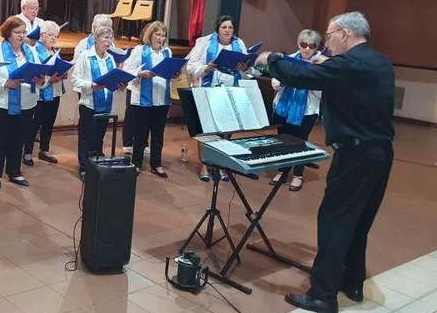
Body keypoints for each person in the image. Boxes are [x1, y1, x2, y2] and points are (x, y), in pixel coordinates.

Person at [255, 11, 394, 313]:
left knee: (334, 222)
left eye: (329, 36)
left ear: (344, 33)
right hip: (380, 154)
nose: (327, 43)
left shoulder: (349, 65)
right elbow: (336, 75)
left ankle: (322, 296)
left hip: (354, 156)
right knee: (358, 222)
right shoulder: (380, 62)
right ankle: (351, 283)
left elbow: (301, 77)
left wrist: (271, 59)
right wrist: (325, 64)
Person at [0, 16, 44, 189]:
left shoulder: (31, 51)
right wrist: (5, 83)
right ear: (8, 33)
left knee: (18, 139)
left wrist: (40, 80)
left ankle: (14, 172)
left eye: (24, 32)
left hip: (26, 103)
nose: (22, 36)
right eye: (17, 32)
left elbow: (39, 71)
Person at [186, 14, 253, 181]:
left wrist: (245, 69)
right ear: (217, 29)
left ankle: (222, 165)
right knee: (206, 129)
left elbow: (247, 69)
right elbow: (191, 66)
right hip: (208, 89)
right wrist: (206, 68)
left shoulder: (239, 44)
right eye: (224, 27)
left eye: (230, 27)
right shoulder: (205, 42)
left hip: (231, 91)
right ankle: (205, 164)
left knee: (226, 130)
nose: (227, 30)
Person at [269, 29, 323, 191]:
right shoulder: (288, 60)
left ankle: (298, 175)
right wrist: (284, 81)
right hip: (283, 107)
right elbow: (275, 83)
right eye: (303, 44)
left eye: (312, 46)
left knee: (300, 141)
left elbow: (323, 91)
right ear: (298, 44)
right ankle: (282, 171)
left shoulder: (321, 64)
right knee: (283, 140)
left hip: (306, 110)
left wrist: (306, 81)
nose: (307, 49)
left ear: (317, 47)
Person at [71, 26, 127, 181]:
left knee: (99, 137)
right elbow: (75, 79)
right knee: (86, 137)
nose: (108, 42)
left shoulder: (110, 59)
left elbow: (112, 82)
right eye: (105, 38)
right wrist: (91, 85)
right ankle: (84, 167)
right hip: (88, 103)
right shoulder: (85, 56)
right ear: (96, 39)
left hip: (105, 104)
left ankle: (96, 165)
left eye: (110, 38)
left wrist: (121, 85)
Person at [123, 21, 178, 178]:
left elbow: (169, 73)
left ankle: (156, 164)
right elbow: (127, 70)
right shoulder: (140, 51)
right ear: (150, 35)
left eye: (163, 35)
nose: (160, 38)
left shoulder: (167, 52)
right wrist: (140, 74)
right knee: (141, 133)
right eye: (157, 35)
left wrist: (175, 74)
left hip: (161, 99)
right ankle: (136, 163)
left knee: (158, 134)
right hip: (143, 99)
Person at [24, 20, 66, 165]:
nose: (53, 38)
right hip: (39, 95)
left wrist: (63, 73)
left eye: (56, 36)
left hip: (54, 93)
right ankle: (27, 152)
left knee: (49, 123)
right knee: (34, 125)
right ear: (42, 35)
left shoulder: (55, 52)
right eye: (50, 35)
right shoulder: (34, 51)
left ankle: (44, 150)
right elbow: (35, 75)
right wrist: (50, 79)